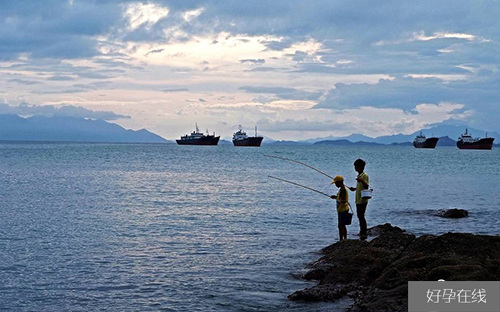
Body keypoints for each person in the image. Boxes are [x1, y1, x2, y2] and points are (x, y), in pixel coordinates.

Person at [349, 159, 369, 240]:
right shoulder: (359, 175)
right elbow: (360, 187)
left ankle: (363, 232)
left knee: (361, 216)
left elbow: (366, 186)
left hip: (362, 199)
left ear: (360, 167)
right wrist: (354, 189)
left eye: (356, 166)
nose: (355, 168)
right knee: (359, 216)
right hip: (358, 199)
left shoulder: (364, 176)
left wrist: (361, 181)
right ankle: (362, 231)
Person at [330, 175, 349, 241]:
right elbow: (341, 198)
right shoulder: (341, 189)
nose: (335, 184)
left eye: (335, 183)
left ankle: (342, 240)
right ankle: (345, 239)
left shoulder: (343, 190)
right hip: (342, 209)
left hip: (343, 210)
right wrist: (335, 197)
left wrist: (338, 200)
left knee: (340, 226)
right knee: (342, 225)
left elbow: (344, 200)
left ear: (339, 182)